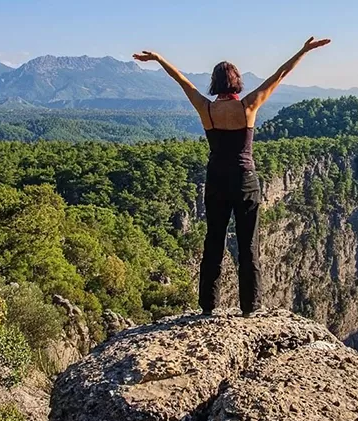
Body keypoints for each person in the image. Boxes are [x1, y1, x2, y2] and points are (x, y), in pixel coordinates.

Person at [133, 37, 331, 317]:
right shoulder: (248, 106)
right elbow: (280, 75)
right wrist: (304, 51)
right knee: (248, 243)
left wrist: (159, 59)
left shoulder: (207, 109)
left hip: (215, 181)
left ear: (214, 83)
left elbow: (182, 82)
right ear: (237, 81)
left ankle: (208, 306)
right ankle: (250, 307)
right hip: (244, 180)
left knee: (213, 240)